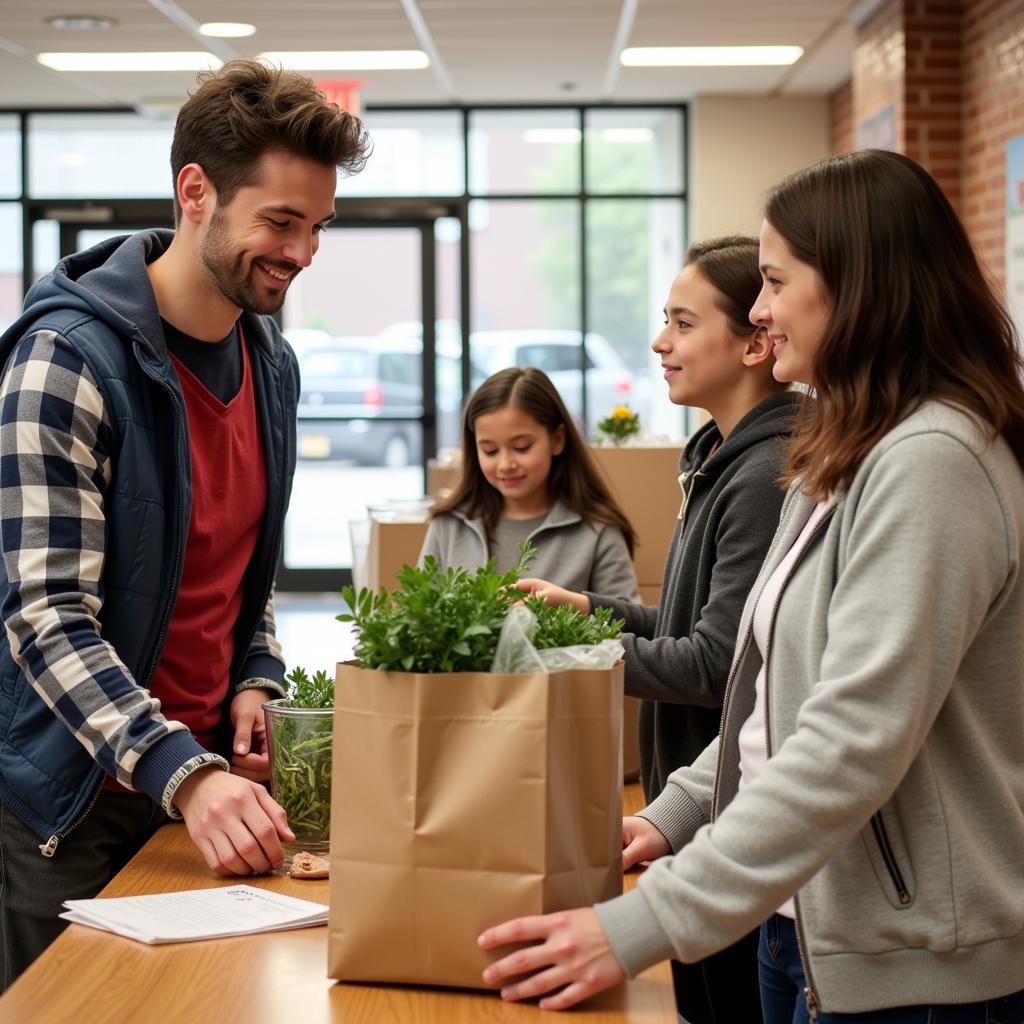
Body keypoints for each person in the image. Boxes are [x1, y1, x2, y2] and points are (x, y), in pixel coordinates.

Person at [478, 148, 1024, 1021]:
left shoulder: (933, 462)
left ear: (857, 285)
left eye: (774, 281)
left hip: (920, 968)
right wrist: (684, 807)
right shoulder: (841, 457)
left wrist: (644, 921)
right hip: (803, 920)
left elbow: (852, 736)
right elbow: (771, 692)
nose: (761, 312)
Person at [0, 59, 369, 989]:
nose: (302, 253)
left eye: (317, 227)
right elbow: (45, 614)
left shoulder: (267, 357)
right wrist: (183, 770)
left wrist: (255, 673)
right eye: (280, 222)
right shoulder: (63, 363)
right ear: (195, 193)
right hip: (79, 801)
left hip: (203, 788)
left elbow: (240, 566)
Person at [516, 236, 798, 1023]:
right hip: (696, 813)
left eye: (681, 322)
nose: (659, 342)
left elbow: (716, 665)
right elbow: (692, 626)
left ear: (753, 341)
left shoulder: (764, 474)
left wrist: (577, 650)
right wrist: (585, 611)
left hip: (735, 829)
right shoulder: (716, 454)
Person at [420, 366, 639, 599]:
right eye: (490, 451)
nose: (505, 464)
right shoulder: (449, 525)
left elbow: (626, 623)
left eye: (521, 447)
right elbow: (421, 617)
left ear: (557, 439)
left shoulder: (598, 530)